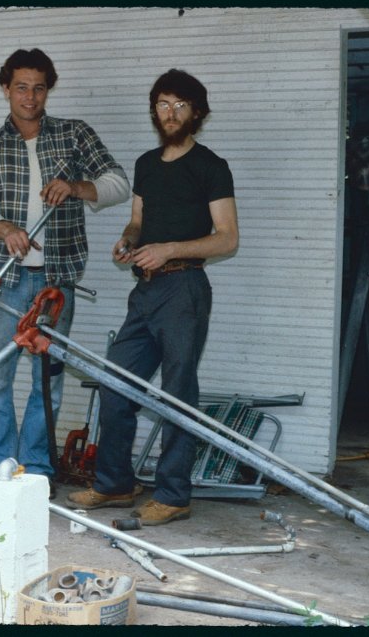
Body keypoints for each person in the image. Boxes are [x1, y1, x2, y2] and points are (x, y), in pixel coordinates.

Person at [67, 69, 239, 524]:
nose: (171, 113)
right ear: (154, 110)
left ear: (197, 112)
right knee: (115, 383)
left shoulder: (211, 166)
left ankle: (174, 495)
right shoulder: (145, 164)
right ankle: (115, 485)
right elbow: (138, 221)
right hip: (144, 292)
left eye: (180, 105)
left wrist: (169, 250)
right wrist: (128, 239)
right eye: (163, 104)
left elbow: (226, 240)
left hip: (184, 288)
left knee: (177, 393)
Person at [0, 48, 130, 497]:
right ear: (6, 88)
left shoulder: (74, 135)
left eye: (39, 87)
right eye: (21, 86)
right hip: (9, 281)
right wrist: (3, 228)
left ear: (48, 89)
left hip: (58, 281)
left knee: (47, 382)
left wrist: (78, 187)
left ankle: (35, 469)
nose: (30, 96)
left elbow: (119, 183)